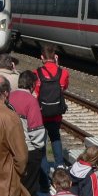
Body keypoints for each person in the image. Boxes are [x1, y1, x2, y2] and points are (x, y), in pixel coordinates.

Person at [8, 69, 47, 196]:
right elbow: (36, 131)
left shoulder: (8, 97)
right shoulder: (31, 102)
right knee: (28, 189)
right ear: (32, 85)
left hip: (10, 150)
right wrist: (39, 148)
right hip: (29, 151)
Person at [35, 43, 70, 175]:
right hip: (56, 114)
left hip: (41, 113)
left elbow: (36, 92)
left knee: (41, 140)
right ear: (55, 57)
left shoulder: (36, 73)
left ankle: (44, 169)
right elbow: (64, 87)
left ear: (41, 57)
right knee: (55, 137)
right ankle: (60, 165)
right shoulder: (64, 73)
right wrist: (57, 65)